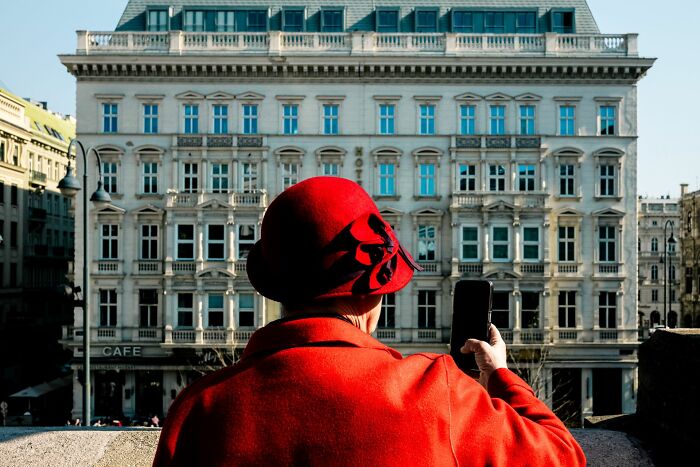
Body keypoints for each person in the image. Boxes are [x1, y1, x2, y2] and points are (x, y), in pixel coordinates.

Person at [153, 177, 585, 466]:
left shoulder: (198, 408)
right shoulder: (436, 390)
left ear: (278, 290)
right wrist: (500, 376)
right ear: (374, 292)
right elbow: (563, 456)